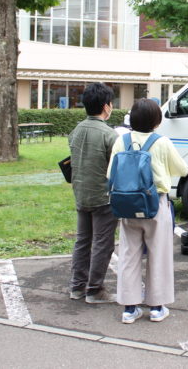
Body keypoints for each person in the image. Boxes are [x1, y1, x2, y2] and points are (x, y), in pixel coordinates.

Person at [108, 98, 188, 324]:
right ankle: (156, 307)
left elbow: (110, 175)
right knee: (159, 254)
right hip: (155, 204)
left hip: (126, 204)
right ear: (156, 121)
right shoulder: (161, 142)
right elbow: (182, 169)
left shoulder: (121, 141)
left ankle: (129, 308)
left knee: (128, 255)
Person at [67, 83, 119, 304]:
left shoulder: (76, 131)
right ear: (106, 106)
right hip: (103, 197)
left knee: (83, 241)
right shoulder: (110, 135)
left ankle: (77, 287)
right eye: (111, 104)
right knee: (102, 243)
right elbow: (116, 168)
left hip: (81, 193)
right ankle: (95, 289)